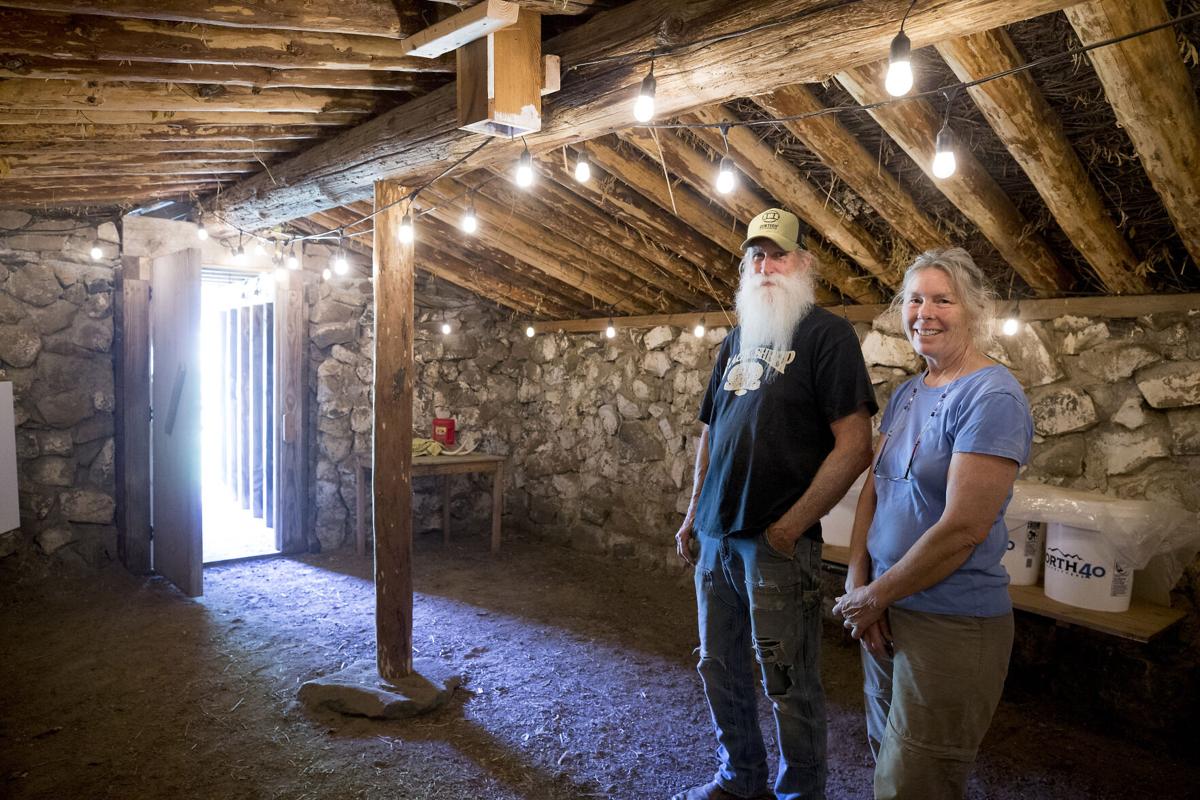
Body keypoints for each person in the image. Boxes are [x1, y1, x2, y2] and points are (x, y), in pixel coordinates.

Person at [673, 208, 877, 800]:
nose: (765, 266)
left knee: (787, 680)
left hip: (776, 544)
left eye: (778, 255)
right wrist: (693, 514)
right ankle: (739, 778)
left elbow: (855, 445)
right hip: (717, 536)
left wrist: (790, 528)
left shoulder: (827, 336)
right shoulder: (736, 340)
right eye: (756, 257)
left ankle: (800, 794)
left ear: (803, 264)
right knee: (719, 667)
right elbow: (711, 432)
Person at [832, 248, 1033, 800]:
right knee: (886, 755)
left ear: (973, 310)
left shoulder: (992, 396)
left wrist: (875, 596)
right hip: (886, 604)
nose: (925, 313)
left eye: (943, 300)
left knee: (915, 780)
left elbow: (964, 528)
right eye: (915, 299)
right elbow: (874, 486)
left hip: (950, 618)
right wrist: (858, 580)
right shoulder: (909, 391)